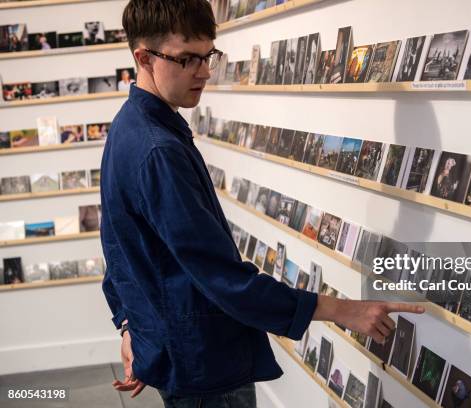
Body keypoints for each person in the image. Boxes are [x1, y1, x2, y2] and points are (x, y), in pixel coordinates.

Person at [101, 1, 425, 407]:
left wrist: (130, 324)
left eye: (208, 56)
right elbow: (223, 279)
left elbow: (118, 246)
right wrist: (343, 310)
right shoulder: (156, 150)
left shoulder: (129, 125)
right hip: (204, 363)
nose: (203, 71)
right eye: (187, 59)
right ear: (143, 57)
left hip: (182, 350)